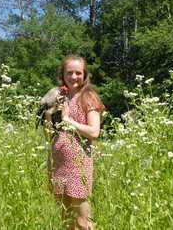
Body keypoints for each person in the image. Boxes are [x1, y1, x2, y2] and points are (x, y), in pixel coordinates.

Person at [45, 55, 105, 229]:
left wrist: (69, 120)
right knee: (66, 219)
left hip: (78, 166)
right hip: (57, 165)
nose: (73, 77)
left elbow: (94, 132)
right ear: (62, 75)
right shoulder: (59, 96)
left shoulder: (89, 97)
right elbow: (49, 135)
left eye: (78, 73)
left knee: (82, 221)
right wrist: (49, 115)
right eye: (69, 73)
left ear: (84, 74)